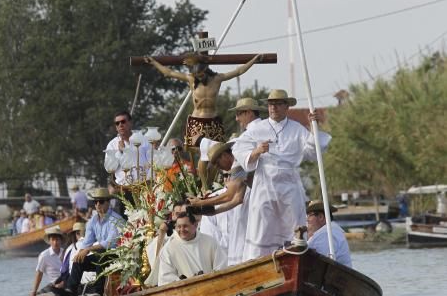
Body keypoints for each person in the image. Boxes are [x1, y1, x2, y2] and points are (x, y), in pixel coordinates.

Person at [233, 89, 331, 260]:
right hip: (265, 183)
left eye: (278, 104)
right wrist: (256, 151)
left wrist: (314, 129)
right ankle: (257, 261)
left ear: (286, 106)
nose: (274, 107)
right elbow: (238, 149)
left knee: (293, 224)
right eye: (271, 104)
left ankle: (295, 257)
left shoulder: (296, 129)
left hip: (289, 183)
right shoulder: (258, 128)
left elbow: (311, 152)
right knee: (261, 224)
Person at [144, 52, 262, 189]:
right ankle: (204, 187)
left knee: (215, 157)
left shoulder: (217, 79)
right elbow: (169, 73)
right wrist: (154, 62)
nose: (198, 77)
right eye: (196, 75)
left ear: (205, 71)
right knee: (202, 155)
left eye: (200, 75)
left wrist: (253, 60)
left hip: (213, 123)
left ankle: (209, 185)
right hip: (197, 122)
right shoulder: (191, 80)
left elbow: (238, 71)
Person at [52, 187, 124, 296]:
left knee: (100, 254)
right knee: (78, 261)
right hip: (103, 257)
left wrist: (87, 250)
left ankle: (98, 292)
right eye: (95, 202)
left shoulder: (116, 219)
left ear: (108, 202)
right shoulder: (93, 220)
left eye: (101, 201)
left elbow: (110, 243)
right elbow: (87, 242)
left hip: (118, 256)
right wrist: (80, 253)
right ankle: (70, 291)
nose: (98, 204)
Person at [158, 211, 227, 286]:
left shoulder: (209, 241)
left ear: (195, 225)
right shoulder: (169, 249)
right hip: (184, 292)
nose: (182, 230)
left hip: (211, 287)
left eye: (185, 226)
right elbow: (165, 278)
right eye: (179, 226)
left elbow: (221, 267)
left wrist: (207, 278)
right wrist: (186, 282)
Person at [105, 110, 150, 185]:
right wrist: (120, 152)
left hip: (144, 186)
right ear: (116, 127)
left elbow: (152, 162)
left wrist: (149, 180)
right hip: (123, 187)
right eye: (117, 123)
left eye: (123, 121)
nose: (120, 125)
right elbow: (110, 169)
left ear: (130, 123)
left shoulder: (143, 140)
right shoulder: (112, 145)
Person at [306, 200, 352, 267]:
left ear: (321, 217)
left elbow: (318, 262)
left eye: (310, 215)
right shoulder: (331, 230)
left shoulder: (326, 233)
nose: (307, 219)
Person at [26, 226, 65, 296]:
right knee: (40, 293)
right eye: (53, 240)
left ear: (61, 240)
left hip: (66, 282)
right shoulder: (44, 255)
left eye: (57, 240)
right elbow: (39, 273)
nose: (55, 242)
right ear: (49, 241)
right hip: (54, 284)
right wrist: (34, 291)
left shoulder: (65, 252)